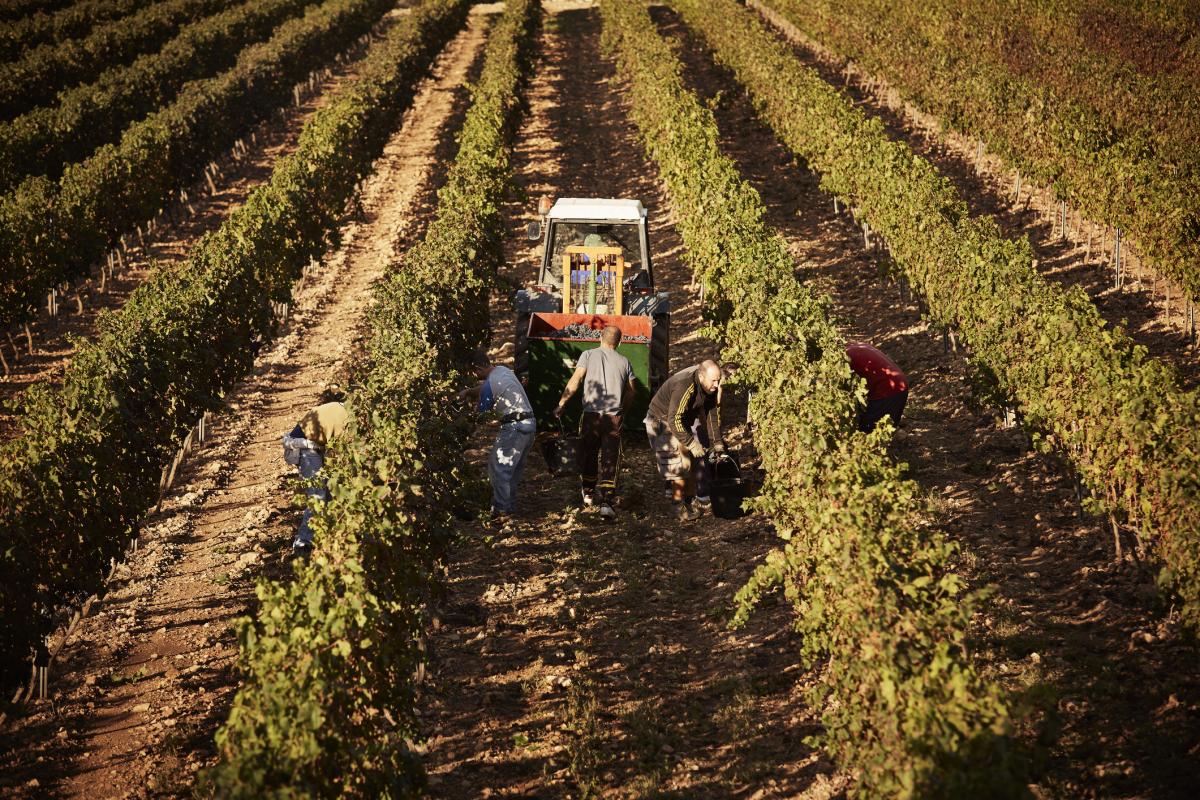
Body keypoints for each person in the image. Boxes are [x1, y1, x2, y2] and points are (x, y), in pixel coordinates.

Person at [553, 325, 637, 519]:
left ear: (600, 337)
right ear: (619, 342)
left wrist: (561, 403)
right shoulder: (625, 362)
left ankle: (589, 493)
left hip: (591, 416)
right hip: (613, 417)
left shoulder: (588, 355)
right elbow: (632, 391)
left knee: (589, 453)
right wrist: (623, 410)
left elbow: (576, 380)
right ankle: (607, 502)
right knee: (610, 458)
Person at [460, 350, 537, 520]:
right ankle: (509, 506)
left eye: (473, 372)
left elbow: (482, 414)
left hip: (514, 428)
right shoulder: (503, 371)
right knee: (512, 470)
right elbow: (487, 387)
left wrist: (465, 420)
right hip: (529, 424)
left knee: (499, 467)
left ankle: (501, 509)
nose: (474, 376)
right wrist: (469, 392)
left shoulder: (490, 384)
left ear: (478, 368)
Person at [644, 360, 724, 521]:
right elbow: (674, 419)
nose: (716, 385)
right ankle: (677, 505)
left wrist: (717, 442)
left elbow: (711, 413)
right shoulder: (685, 385)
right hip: (661, 420)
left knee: (692, 461)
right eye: (713, 381)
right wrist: (691, 443)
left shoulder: (709, 386)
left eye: (718, 380)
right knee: (679, 464)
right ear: (701, 376)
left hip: (679, 420)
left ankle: (688, 500)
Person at [282, 387, 348, 559]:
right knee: (318, 494)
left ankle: (326, 534)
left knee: (330, 490)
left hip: (312, 442)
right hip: (304, 445)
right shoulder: (349, 422)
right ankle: (303, 542)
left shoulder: (344, 409)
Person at [846, 342, 909, 433]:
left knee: (868, 432)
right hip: (899, 383)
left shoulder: (844, 358)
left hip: (890, 391)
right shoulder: (854, 345)